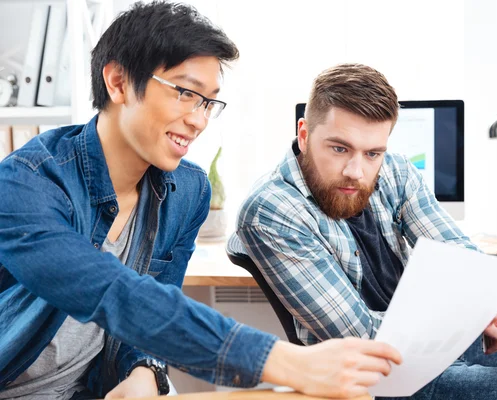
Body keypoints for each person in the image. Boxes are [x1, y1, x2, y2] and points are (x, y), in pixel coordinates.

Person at [0, 4, 402, 400]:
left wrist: (144, 368)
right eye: (186, 93)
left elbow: (159, 298)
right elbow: (113, 293)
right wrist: (292, 363)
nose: (199, 119)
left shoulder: (187, 191)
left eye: (208, 102)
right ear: (119, 82)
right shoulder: (27, 182)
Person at [236, 63, 497, 399]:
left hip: (440, 344)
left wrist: (486, 303)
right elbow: (361, 336)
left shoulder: (394, 169)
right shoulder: (272, 211)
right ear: (304, 134)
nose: (356, 171)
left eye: (372, 153)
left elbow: (457, 251)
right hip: (382, 375)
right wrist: (468, 310)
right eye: (339, 148)